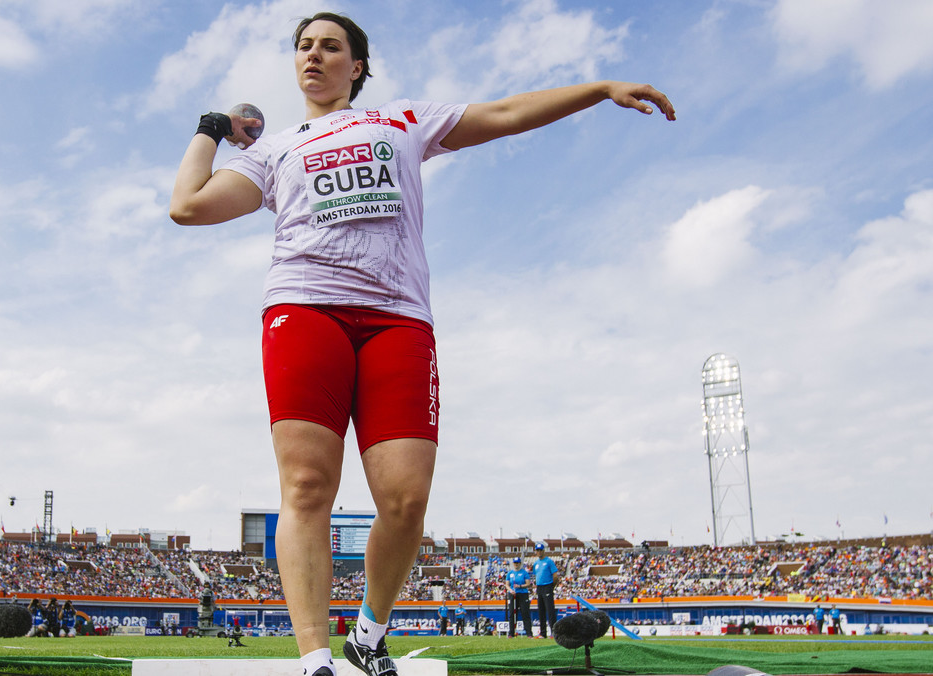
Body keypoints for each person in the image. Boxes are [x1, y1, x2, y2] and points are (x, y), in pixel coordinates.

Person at [168, 11, 674, 676]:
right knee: (308, 485)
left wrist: (598, 88)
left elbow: (509, 112)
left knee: (405, 500)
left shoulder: (401, 122)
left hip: (396, 318)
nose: (313, 57)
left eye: (330, 47)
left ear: (358, 65)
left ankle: (369, 633)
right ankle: (315, 657)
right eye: (303, 48)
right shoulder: (273, 150)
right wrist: (211, 128)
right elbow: (188, 204)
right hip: (304, 308)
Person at [532, 543, 559, 638]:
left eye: (540, 550)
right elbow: (536, 575)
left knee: (550, 610)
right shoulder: (536, 563)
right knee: (541, 610)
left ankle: (554, 632)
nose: (539, 552)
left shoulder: (549, 561)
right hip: (539, 587)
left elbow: (555, 576)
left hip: (547, 586)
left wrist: (552, 587)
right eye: (537, 550)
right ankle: (543, 633)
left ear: (544, 550)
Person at [504, 557, 532, 638]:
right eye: (515, 563)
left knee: (525, 613)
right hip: (513, 594)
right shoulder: (510, 573)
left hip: (523, 594)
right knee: (512, 614)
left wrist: (520, 586)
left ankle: (529, 633)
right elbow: (507, 585)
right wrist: (510, 590)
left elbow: (528, 584)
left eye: (518, 563)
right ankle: (511, 633)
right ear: (513, 564)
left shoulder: (524, 573)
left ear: (520, 563)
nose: (516, 564)